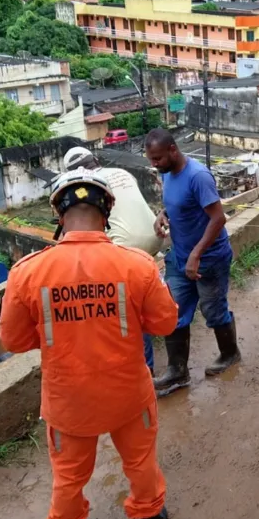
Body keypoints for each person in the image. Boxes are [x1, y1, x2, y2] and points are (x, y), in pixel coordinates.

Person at [0, 170, 178, 519]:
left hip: (69, 403)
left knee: (69, 477)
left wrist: (58, 334)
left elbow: (12, 340)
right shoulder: (137, 265)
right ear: (107, 212)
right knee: (141, 463)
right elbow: (166, 324)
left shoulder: (28, 271)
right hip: (128, 396)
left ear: (59, 215)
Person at [144, 128, 240, 397]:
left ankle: (230, 353)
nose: (154, 164)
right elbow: (179, 203)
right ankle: (178, 372)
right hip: (180, 257)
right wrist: (162, 214)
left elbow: (218, 218)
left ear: (173, 150)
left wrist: (197, 254)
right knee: (172, 312)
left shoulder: (198, 176)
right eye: (151, 159)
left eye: (158, 158)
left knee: (213, 310)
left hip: (208, 259)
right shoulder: (169, 174)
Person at [63, 146, 162, 373]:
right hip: (155, 239)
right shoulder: (122, 173)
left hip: (125, 250)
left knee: (127, 312)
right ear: (95, 160)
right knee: (142, 303)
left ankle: (142, 368)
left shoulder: (87, 188)